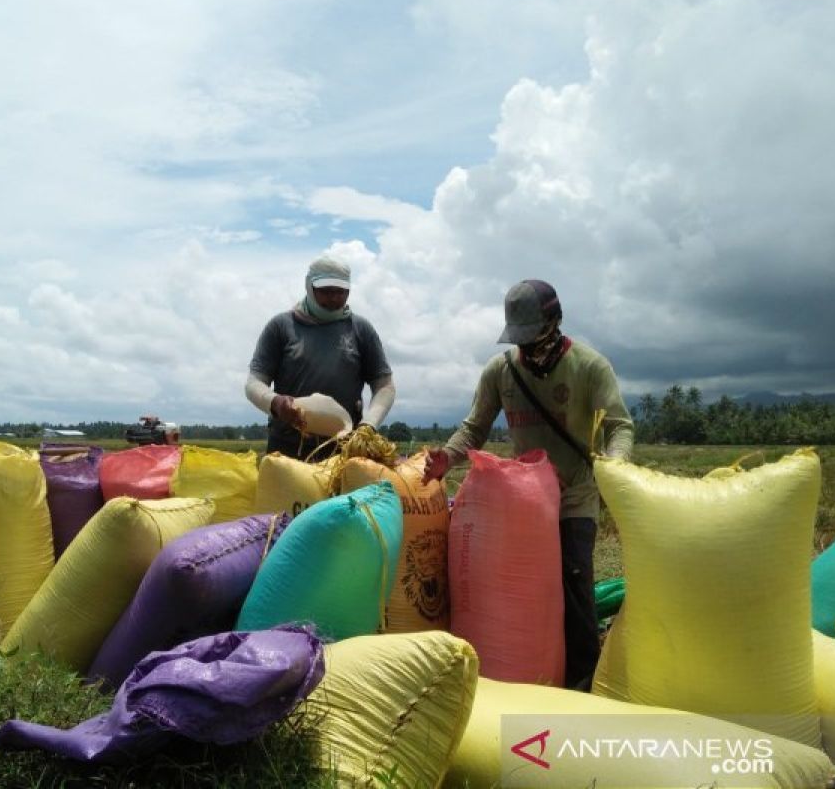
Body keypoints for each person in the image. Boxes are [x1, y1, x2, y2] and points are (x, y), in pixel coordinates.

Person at [423, 279, 634, 689]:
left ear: (554, 323)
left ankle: (582, 683)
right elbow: (474, 429)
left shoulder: (590, 367)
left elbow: (619, 426)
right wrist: (446, 459)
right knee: (522, 593)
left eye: (532, 336)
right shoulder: (501, 371)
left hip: (575, 496)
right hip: (526, 506)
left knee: (574, 589)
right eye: (518, 338)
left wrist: (615, 465)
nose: (526, 347)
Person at [245, 255, 395, 460]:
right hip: (287, 449)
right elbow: (254, 383)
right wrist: (275, 403)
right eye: (325, 291)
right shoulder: (281, 327)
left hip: (343, 450)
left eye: (340, 292)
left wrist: (368, 425)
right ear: (309, 286)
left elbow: (384, 386)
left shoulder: (361, 329)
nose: (334, 298)